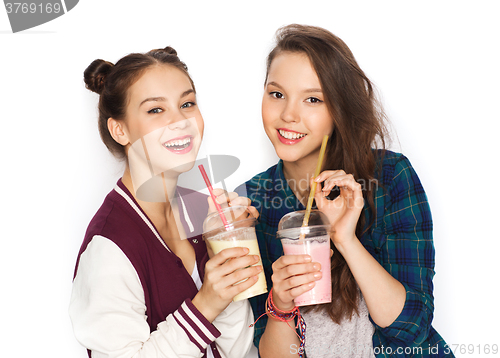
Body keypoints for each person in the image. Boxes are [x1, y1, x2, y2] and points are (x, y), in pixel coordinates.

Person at [238, 24, 454, 357]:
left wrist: (345, 239)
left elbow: (411, 329)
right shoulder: (253, 203)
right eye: (276, 94)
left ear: (339, 109)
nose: (288, 115)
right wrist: (279, 304)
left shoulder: (389, 177)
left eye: (312, 99)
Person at [69, 46, 261, 358]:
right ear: (120, 130)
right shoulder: (110, 248)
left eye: (187, 104)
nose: (181, 121)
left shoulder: (203, 211)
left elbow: (239, 350)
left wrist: (223, 247)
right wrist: (207, 302)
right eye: (156, 110)